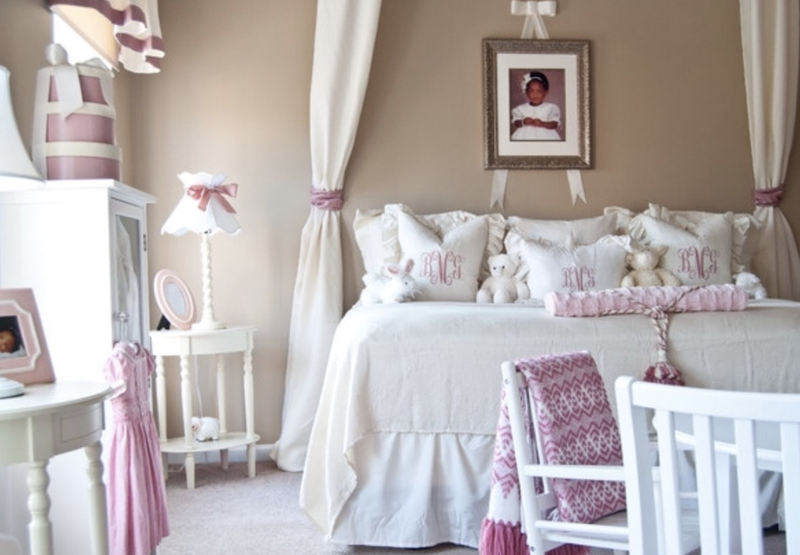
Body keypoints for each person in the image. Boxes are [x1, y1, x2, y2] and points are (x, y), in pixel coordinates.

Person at [510, 71, 561, 141]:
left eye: (539, 91)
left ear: (545, 92)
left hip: (546, 136)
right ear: (527, 93)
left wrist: (542, 124)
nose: (535, 94)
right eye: (531, 91)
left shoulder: (551, 108)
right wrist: (523, 122)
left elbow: (554, 124)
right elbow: (516, 123)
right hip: (525, 136)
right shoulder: (521, 108)